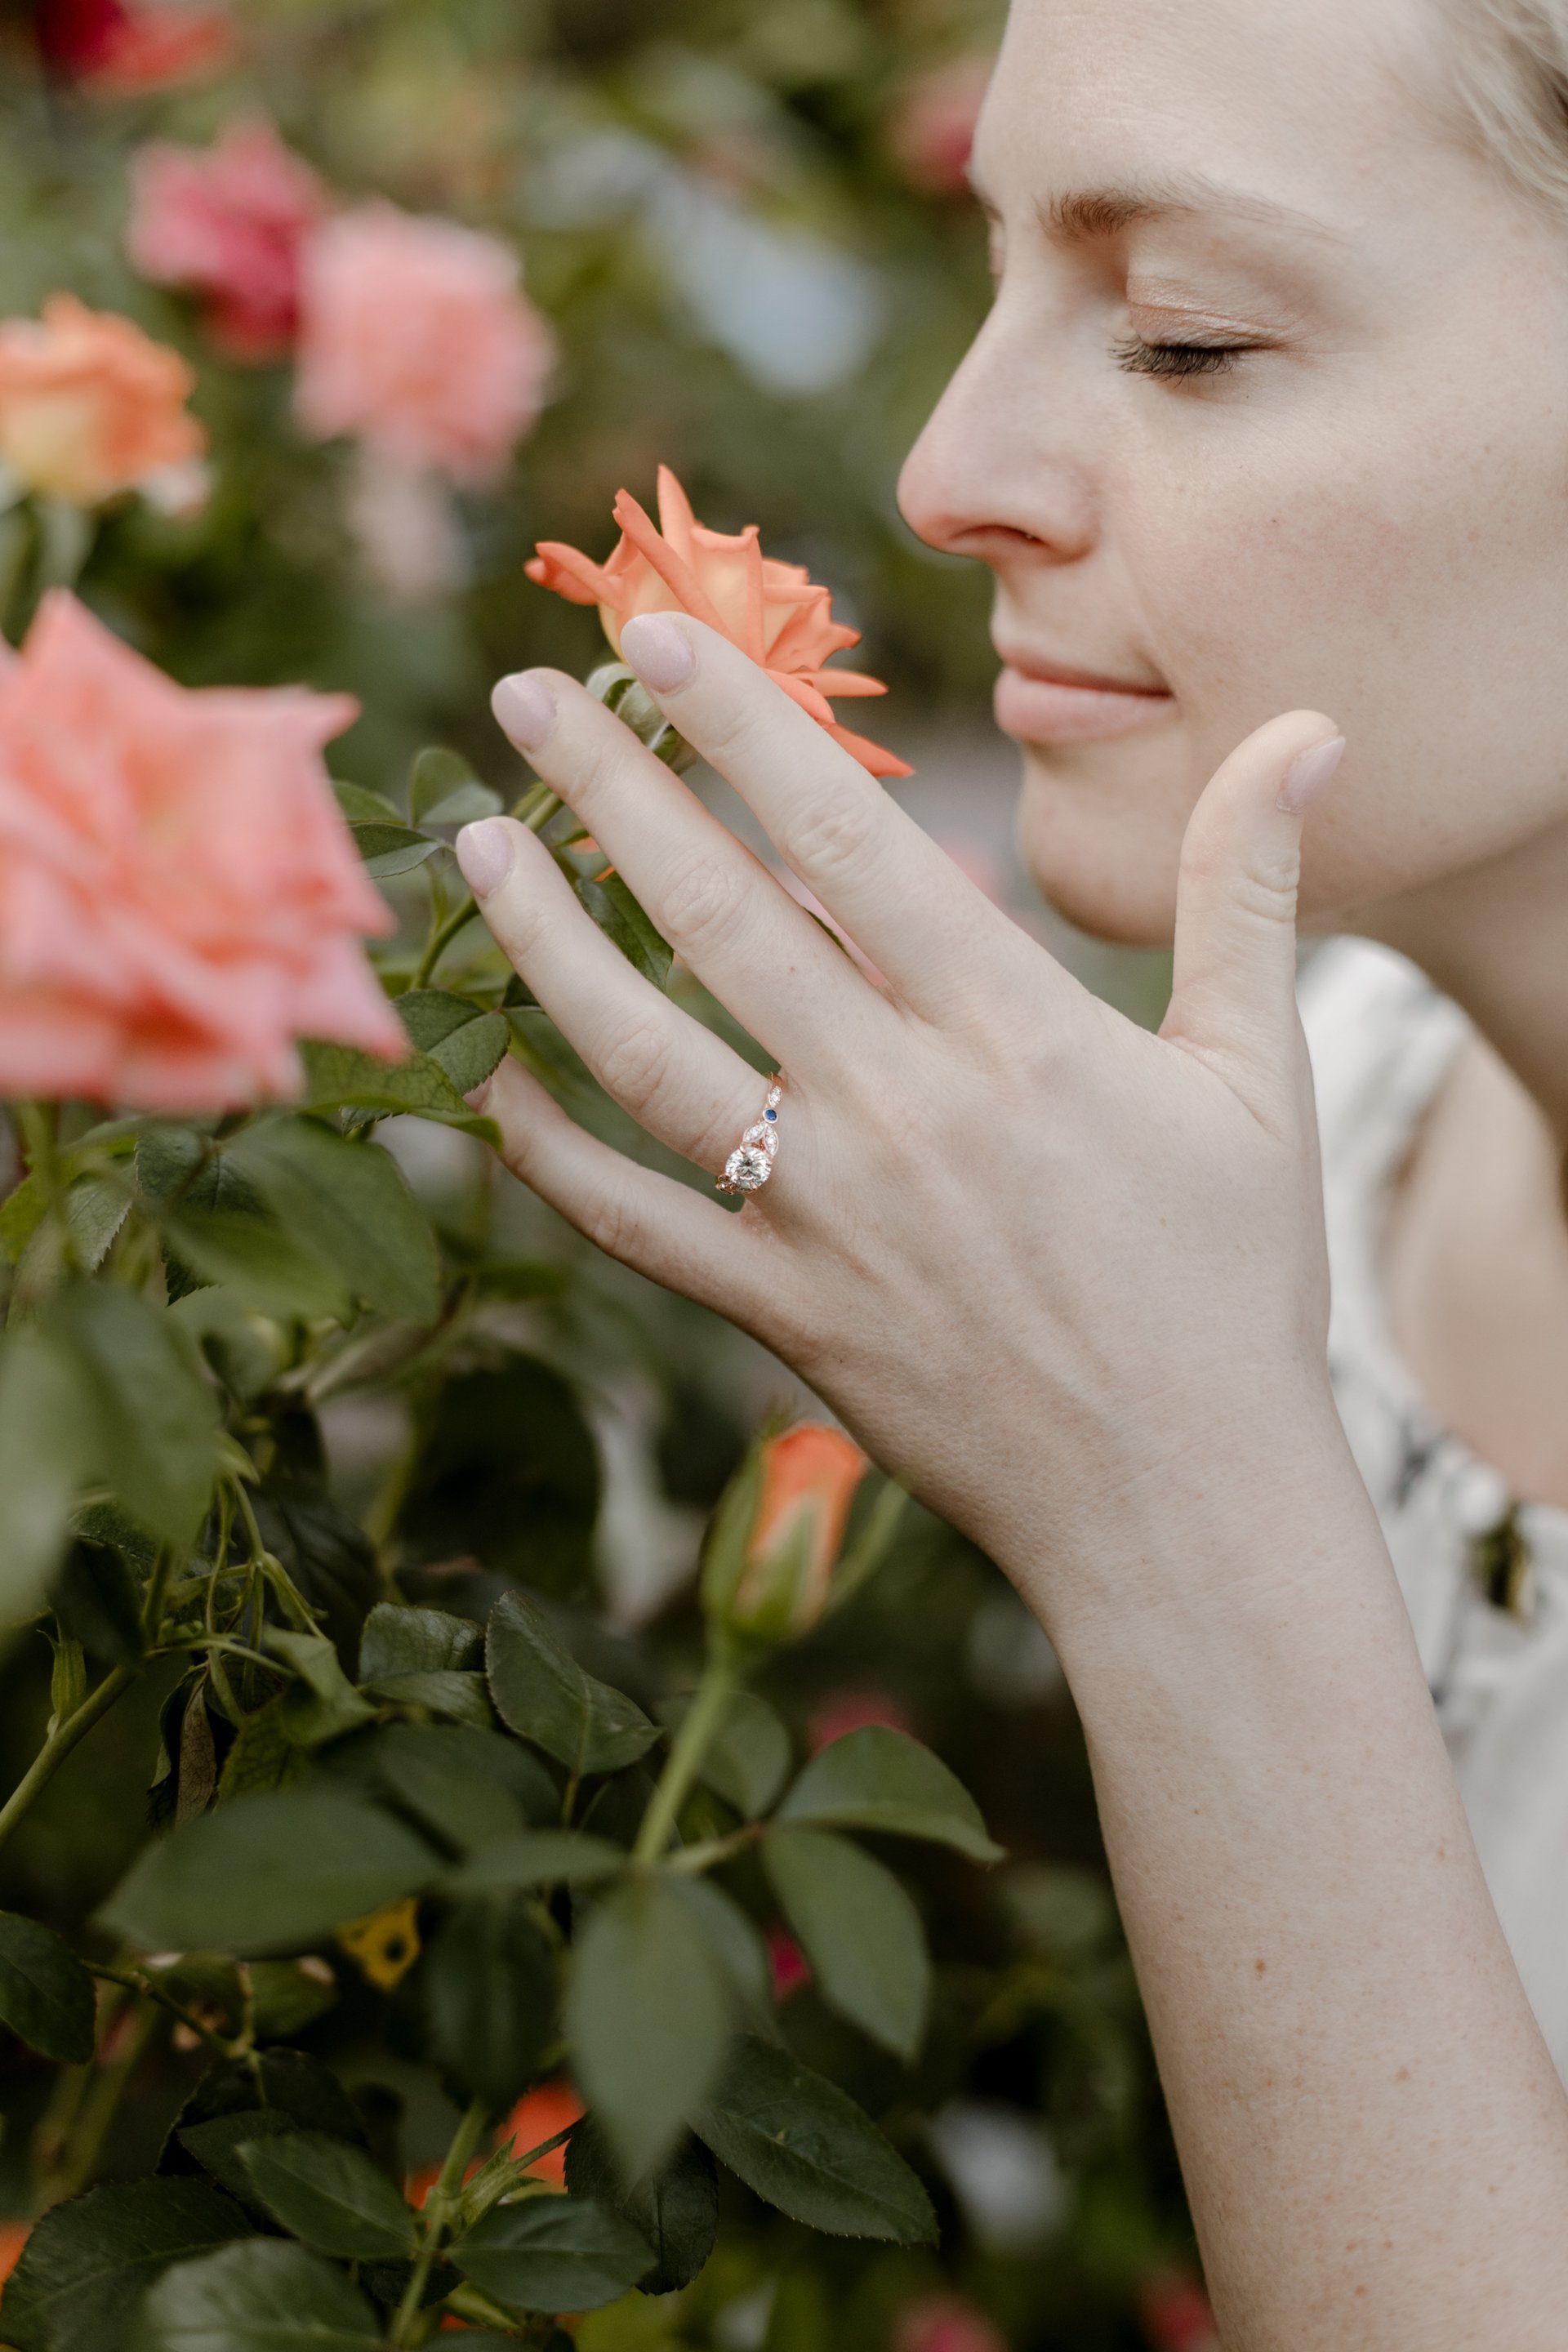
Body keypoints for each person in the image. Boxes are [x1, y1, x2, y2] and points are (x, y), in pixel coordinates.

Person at [450, 0, 1568, 2339]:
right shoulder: (1305, 1130)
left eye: (1181, 337)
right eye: (997, 272)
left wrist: (1181, 1522)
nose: (953, 466)